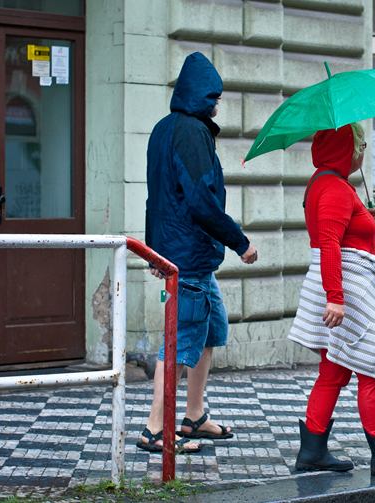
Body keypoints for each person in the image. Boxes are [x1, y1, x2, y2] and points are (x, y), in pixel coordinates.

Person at [288, 123, 375, 476]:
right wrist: (335, 298)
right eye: (360, 145)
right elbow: (330, 244)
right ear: (346, 149)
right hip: (351, 292)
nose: (363, 152)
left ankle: (312, 450)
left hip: (343, 287)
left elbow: (345, 231)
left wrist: (369, 217)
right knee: (372, 367)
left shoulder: (324, 183)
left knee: (333, 370)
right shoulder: (335, 188)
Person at [137, 52, 258, 453]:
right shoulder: (192, 133)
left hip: (186, 255)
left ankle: (194, 416)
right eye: (215, 97)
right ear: (203, 96)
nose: (217, 104)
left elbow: (156, 197)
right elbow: (201, 201)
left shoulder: (163, 128)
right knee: (180, 340)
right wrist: (240, 242)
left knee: (210, 330)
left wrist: (154, 251)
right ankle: (155, 428)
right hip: (189, 257)